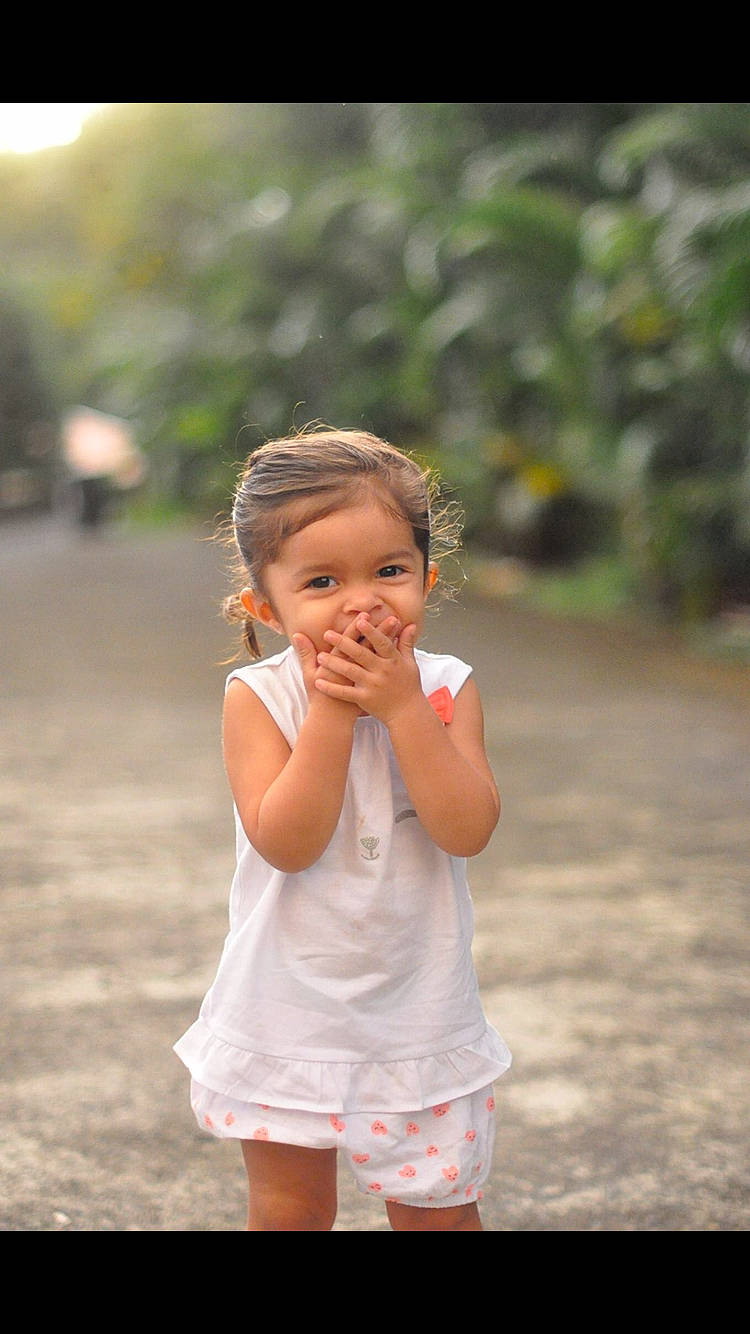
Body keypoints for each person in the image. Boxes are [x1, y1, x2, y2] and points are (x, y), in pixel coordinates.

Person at [174, 428, 511, 1231]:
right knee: (290, 1211)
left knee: (439, 1213)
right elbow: (286, 842)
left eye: (389, 571)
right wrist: (331, 709)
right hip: (287, 1013)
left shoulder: (445, 689)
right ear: (267, 605)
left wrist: (400, 710)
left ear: (427, 579)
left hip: (420, 1017)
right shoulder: (261, 700)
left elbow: (467, 829)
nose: (363, 601)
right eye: (323, 581)